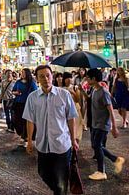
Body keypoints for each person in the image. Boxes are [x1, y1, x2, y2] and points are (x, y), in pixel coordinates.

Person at [23, 65, 78, 195]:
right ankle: (58, 190)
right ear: (37, 79)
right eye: (41, 76)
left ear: (52, 76)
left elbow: (71, 118)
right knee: (43, 173)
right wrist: (30, 141)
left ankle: (60, 191)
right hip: (43, 145)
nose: (45, 79)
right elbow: (30, 120)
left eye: (48, 75)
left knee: (61, 180)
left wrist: (73, 139)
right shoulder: (33, 97)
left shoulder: (64, 95)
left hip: (62, 144)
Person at [86, 68, 125, 181]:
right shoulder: (94, 90)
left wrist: (114, 127)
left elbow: (110, 109)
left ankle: (101, 171)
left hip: (102, 124)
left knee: (97, 146)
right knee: (96, 146)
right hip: (95, 123)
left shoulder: (104, 92)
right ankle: (116, 160)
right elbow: (89, 100)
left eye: (88, 78)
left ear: (93, 79)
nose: (87, 79)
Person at [12, 68, 38, 145]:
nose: (22, 74)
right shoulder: (18, 82)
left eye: (23, 73)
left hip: (27, 104)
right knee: (17, 120)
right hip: (18, 103)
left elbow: (35, 93)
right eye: (21, 72)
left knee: (26, 121)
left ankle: (25, 137)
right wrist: (16, 93)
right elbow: (13, 91)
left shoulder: (32, 83)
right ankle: (22, 134)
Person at [61, 72, 84, 143]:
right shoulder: (61, 89)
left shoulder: (75, 87)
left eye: (70, 78)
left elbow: (77, 100)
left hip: (76, 110)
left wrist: (72, 92)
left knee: (77, 130)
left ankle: (75, 148)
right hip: (65, 111)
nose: (69, 79)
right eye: (67, 78)